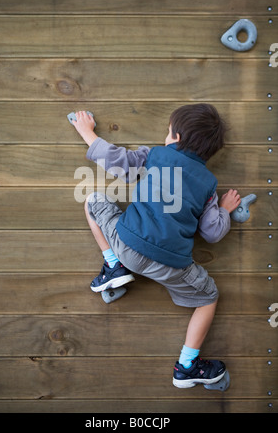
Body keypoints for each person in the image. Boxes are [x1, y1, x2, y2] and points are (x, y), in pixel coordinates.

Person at [72, 105, 241, 388]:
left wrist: (87, 133)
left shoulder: (154, 155)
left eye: (168, 130)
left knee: (93, 202)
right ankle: (187, 366)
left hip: (128, 244)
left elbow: (118, 164)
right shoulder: (209, 184)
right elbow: (212, 233)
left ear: (176, 136)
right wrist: (223, 210)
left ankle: (113, 264)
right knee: (208, 297)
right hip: (172, 264)